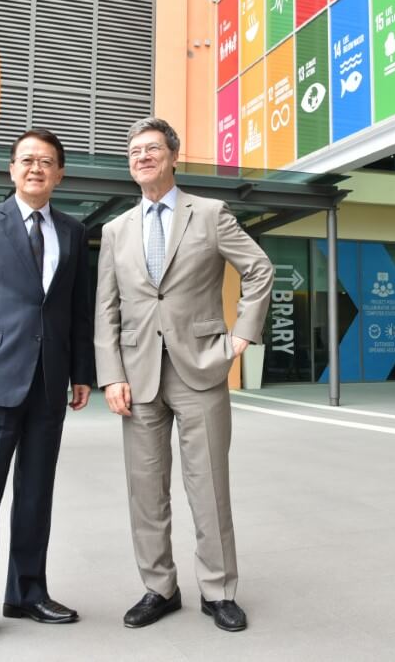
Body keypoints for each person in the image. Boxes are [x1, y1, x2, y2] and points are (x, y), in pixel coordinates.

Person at [95, 117, 274, 634]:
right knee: (145, 488)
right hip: (138, 375)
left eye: (152, 148)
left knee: (209, 485)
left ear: (174, 156)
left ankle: (218, 591)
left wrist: (242, 335)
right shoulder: (115, 230)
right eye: (134, 152)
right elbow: (107, 308)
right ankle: (160, 588)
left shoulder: (211, 214)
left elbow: (259, 268)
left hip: (202, 368)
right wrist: (111, 375)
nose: (143, 157)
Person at [0, 129, 95, 654]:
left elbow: (77, 310)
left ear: (59, 174)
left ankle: (27, 592)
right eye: (27, 160)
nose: (36, 169)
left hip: (49, 384)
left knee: (35, 497)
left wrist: (81, 372)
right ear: (11, 170)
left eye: (47, 162)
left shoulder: (73, 232)